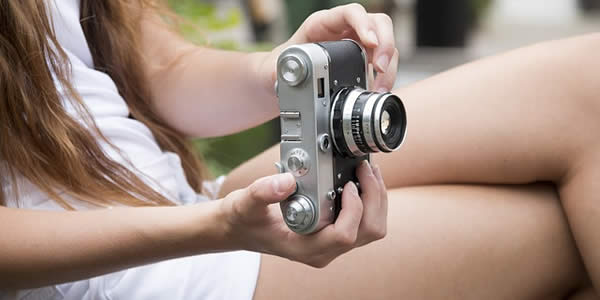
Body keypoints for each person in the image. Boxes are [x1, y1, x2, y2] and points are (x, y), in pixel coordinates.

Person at [0, 0, 598, 299]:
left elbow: (154, 69)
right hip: (139, 271)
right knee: (566, 222)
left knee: (586, 82)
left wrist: (281, 71)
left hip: (191, 209)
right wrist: (207, 229)